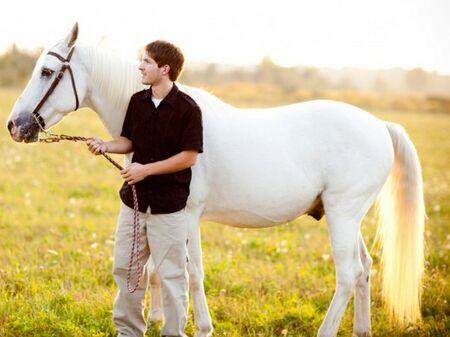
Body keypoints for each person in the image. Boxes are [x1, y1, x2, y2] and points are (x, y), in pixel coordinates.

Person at [87, 40, 203, 337]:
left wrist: (145, 170)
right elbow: (129, 142)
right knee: (126, 271)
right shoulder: (137, 101)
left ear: (165, 69)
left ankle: (174, 333)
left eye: (147, 62)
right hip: (134, 204)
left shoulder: (188, 109)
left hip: (169, 208)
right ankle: (129, 332)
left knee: (172, 276)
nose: (140, 66)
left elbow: (189, 156)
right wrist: (106, 146)